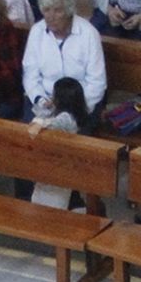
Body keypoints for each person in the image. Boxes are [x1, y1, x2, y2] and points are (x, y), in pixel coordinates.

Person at [23, 0, 107, 119]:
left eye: (57, 11)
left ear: (69, 11)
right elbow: (30, 75)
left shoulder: (89, 34)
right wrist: (41, 100)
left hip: (81, 104)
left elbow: (97, 82)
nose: (51, 16)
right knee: (29, 131)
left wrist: (72, 108)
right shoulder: (37, 32)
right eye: (46, 10)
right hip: (45, 101)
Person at [28, 76, 90, 206]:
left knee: (51, 202)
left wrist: (40, 118)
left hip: (59, 165)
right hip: (56, 162)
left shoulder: (65, 118)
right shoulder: (72, 114)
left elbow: (38, 128)